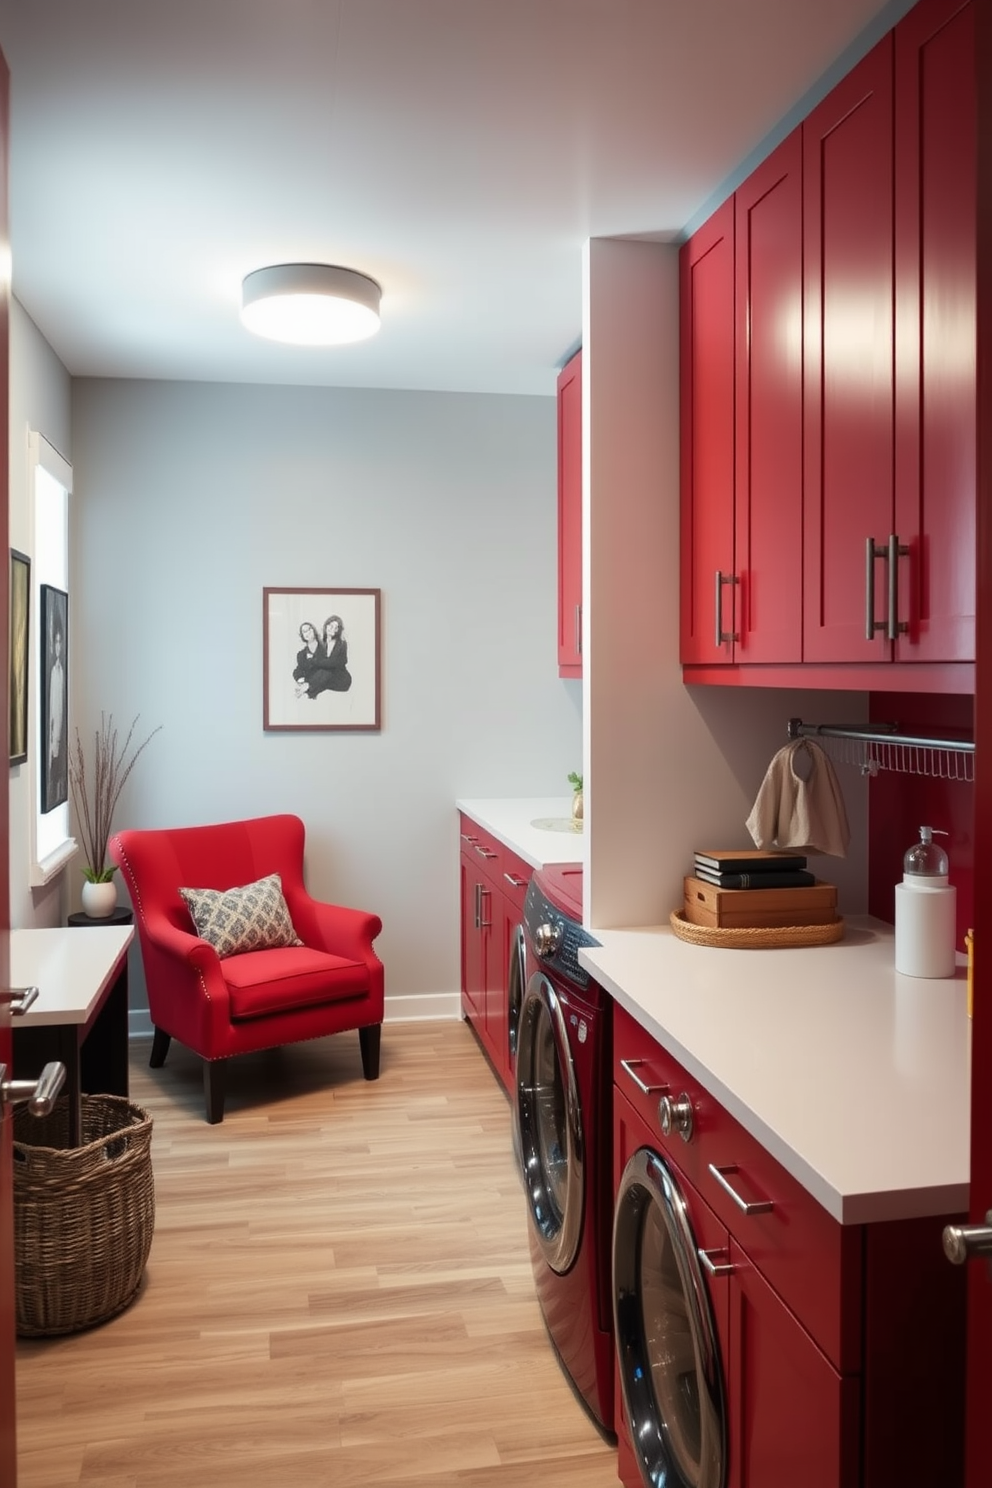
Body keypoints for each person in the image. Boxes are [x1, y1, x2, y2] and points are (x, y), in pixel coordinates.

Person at [46, 614, 67, 810]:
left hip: (61, 743)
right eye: (57, 642)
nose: (59, 646)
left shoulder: (62, 672)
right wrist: (53, 742)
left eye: (61, 641)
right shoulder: (52, 673)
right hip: (54, 743)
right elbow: (53, 714)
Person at [316, 614, 352, 693]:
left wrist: (322, 663)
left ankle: (310, 688)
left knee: (324, 674)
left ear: (338, 630)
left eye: (336, 627)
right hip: (324, 676)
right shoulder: (320, 642)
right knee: (319, 674)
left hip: (340, 677)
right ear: (326, 626)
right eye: (330, 626)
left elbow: (342, 661)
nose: (333, 629)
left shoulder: (342, 643)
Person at [292, 621, 324, 699]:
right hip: (308, 688)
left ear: (314, 630)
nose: (307, 633)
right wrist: (300, 679)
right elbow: (298, 670)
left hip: (324, 687)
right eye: (304, 631)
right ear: (302, 636)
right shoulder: (301, 655)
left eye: (309, 629)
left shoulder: (326, 649)